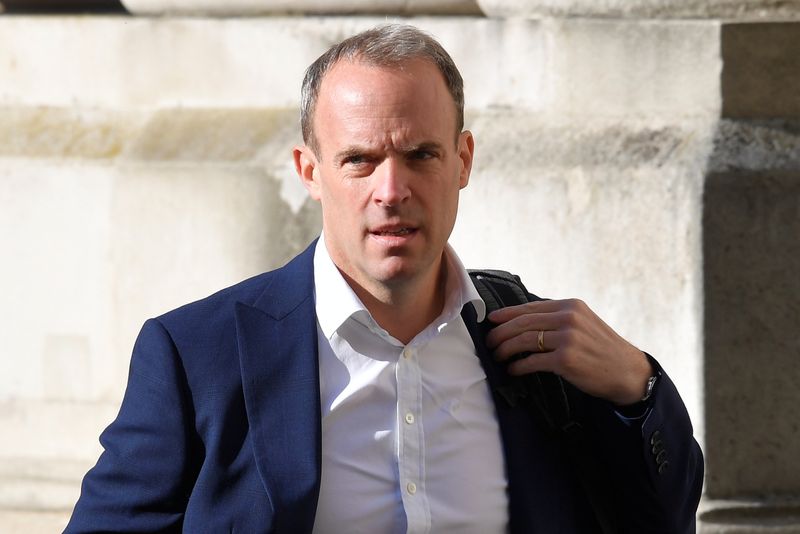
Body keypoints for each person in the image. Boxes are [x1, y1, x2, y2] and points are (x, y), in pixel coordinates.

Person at [65, 24, 703, 533]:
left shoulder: (541, 353)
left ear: (463, 160)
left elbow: (662, 520)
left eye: (420, 155)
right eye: (359, 161)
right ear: (310, 172)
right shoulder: (196, 356)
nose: (390, 191)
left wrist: (637, 386)